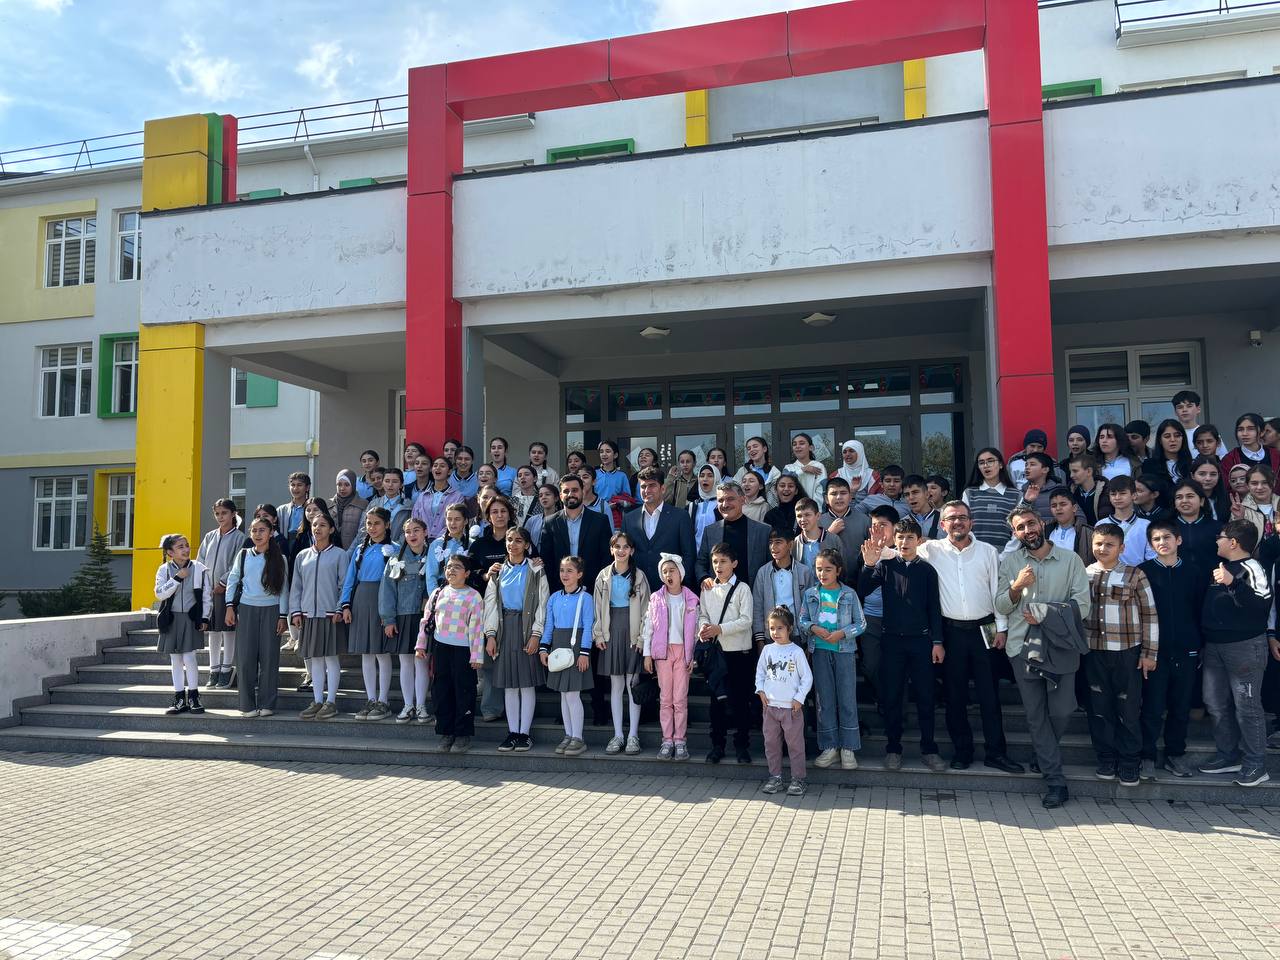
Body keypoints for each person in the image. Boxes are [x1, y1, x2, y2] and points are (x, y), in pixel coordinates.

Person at [995, 506, 1091, 809]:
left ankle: (1043, 753)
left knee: (1062, 710)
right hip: (1022, 647)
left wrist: (1045, 613)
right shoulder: (1011, 562)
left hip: (1061, 645)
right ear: (1015, 533)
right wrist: (1016, 587)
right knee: (1036, 717)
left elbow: (1082, 605)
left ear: (1041, 523)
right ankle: (1055, 780)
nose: (1028, 531)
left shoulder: (1070, 559)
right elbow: (1001, 605)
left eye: (1031, 523)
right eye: (1020, 527)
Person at [917, 501, 1023, 774]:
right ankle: (962, 752)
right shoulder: (931, 550)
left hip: (985, 629)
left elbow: (996, 589)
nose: (958, 522)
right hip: (951, 632)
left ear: (971, 522)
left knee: (990, 695)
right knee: (955, 695)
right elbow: (899, 552)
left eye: (963, 517)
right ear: (943, 524)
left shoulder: (988, 552)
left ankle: (996, 753)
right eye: (952, 518)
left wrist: (1002, 628)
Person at [858, 519, 946, 773]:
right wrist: (869, 564)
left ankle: (929, 749)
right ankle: (893, 749)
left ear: (919, 541)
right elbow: (862, 589)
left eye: (910, 538)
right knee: (892, 696)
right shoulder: (885, 566)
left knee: (925, 697)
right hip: (892, 641)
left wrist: (937, 642)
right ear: (893, 540)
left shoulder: (927, 570)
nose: (904, 542)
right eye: (900, 537)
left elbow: (934, 608)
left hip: (921, 641)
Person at [1082, 523, 1159, 787]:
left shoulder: (1135, 575)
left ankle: (1129, 761)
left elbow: (1150, 615)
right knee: (1099, 708)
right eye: (1098, 544)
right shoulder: (1084, 574)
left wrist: (1149, 653)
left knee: (1128, 708)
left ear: (1122, 547)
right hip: (1094, 652)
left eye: (1109, 544)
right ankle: (1106, 758)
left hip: (1127, 652)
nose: (1103, 549)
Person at [1198, 519, 1273, 786]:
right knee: (1215, 704)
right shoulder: (1219, 567)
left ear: (1233, 542)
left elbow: (1261, 606)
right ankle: (1228, 755)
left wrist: (1234, 583)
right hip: (1214, 646)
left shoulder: (1253, 567)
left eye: (1220, 536)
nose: (1216, 541)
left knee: (1247, 707)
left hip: (1245, 647)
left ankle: (1256, 764)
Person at [1140, 519, 1208, 779]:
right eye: (1156, 539)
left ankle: (1175, 755)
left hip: (1187, 649)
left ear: (1178, 540)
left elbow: (1201, 609)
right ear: (1150, 544)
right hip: (1153, 651)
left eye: (1167, 537)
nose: (1162, 542)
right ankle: (1146, 756)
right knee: (1152, 706)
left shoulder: (1194, 571)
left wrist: (1199, 644)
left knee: (1180, 706)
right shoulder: (1143, 572)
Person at [483, 527, 549, 752]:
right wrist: (491, 635)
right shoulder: (498, 571)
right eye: (509, 540)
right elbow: (491, 605)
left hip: (526, 628)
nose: (513, 544)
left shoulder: (536, 569)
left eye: (519, 540)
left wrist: (536, 634)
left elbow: (542, 604)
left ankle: (524, 734)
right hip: (505, 629)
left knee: (526, 683)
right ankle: (512, 732)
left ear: (527, 545)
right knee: (510, 685)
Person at [799, 548, 865, 771]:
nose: (822, 574)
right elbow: (802, 620)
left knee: (846, 698)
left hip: (844, 652)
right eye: (819, 569)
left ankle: (848, 747)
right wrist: (813, 628)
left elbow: (861, 623)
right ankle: (829, 746)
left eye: (828, 569)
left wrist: (842, 633)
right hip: (819, 651)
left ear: (838, 570)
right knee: (824, 699)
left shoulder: (849, 594)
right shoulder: (810, 594)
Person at [417, 554, 485, 754]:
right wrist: (421, 645)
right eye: (448, 566)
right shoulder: (438, 592)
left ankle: (463, 735)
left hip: (463, 650)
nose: (451, 570)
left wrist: (476, 656)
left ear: (467, 573)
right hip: (441, 648)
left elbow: (477, 628)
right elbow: (426, 620)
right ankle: (446, 732)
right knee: (441, 691)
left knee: (464, 691)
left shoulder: (474, 596)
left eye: (457, 567)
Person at [591, 531, 651, 754]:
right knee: (616, 686)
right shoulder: (603, 576)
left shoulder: (640, 576)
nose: (621, 550)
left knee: (632, 684)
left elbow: (647, 610)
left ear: (632, 551)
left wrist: (643, 638)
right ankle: (618, 735)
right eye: (617, 546)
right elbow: (597, 608)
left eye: (626, 547)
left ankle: (633, 735)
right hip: (611, 632)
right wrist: (599, 634)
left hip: (633, 634)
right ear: (611, 549)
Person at [223, 517, 289, 718]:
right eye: (254, 530)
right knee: (245, 659)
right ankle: (247, 705)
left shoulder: (280, 558)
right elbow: (233, 580)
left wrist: (283, 616)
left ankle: (267, 703)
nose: (257, 534)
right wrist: (229, 607)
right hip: (246, 609)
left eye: (262, 530)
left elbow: (284, 590)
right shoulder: (243, 555)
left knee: (269, 658)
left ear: (270, 532)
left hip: (272, 610)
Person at [290, 505, 348, 720]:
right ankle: (317, 700)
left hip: (330, 614)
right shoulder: (302, 556)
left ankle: (330, 702)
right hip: (308, 615)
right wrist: (296, 611)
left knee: (331, 658)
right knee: (314, 659)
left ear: (331, 529)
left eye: (323, 525)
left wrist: (340, 608)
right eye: (314, 525)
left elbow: (344, 585)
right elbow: (296, 587)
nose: (318, 528)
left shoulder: (340, 555)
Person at [699, 542, 755, 764]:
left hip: (739, 653)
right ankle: (717, 745)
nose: (718, 566)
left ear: (734, 563)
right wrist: (703, 628)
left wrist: (720, 629)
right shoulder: (707, 588)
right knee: (717, 703)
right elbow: (702, 614)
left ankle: (742, 746)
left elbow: (746, 620)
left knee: (741, 702)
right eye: (715, 562)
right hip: (717, 654)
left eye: (723, 561)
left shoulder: (743, 589)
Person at [467, 495, 521, 722]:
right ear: (487, 517)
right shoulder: (479, 545)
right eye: (494, 512)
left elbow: (535, 565)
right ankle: (491, 707)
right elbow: (469, 572)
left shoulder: (520, 539)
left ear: (510, 514)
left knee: (514, 659)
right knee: (490, 660)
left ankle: (517, 708)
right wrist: (485, 575)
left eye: (503, 511)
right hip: (486, 609)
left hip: (515, 611)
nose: (499, 515)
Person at [641, 554, 700, 761]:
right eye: (665, 571)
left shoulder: (691, 598)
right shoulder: (656, 598)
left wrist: (693, 656)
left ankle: (680, 740)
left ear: (680, 573)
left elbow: (696, 631)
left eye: (672, 570)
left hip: (683, 652)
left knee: (680, 699)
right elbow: (648, 627)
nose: (668, 575)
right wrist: (647, 654)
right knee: (666, 698)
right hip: (663, 653)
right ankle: (667, 740)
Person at [341, 508, 396, 721]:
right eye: (368, 523)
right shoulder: (360, 550)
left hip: (382, 599)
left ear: (387, 525)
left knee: (381, 652)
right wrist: (345, 605)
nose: (371, 528)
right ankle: (371, 698)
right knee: (366, 652)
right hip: (361, 599)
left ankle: (383, 700)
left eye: (377, 523)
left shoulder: (394, 549)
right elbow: (350, 579)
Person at [540, 556, 596, 757]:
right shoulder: (554, 598)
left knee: (573, 694)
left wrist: (584, 652)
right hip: (558, 647)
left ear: (579, 574)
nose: (565, 574)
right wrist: (544, 648)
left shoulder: (585, 598)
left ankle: (578, 737)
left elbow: (588, 626)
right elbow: (549, 625)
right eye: (562, 570)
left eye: (570, 570)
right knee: (563, 694)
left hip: (576, 647)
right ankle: (568, 734)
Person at [379, 517, 432, 724]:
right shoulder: (395, 559)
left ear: (425, 532)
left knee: (422, 662)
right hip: (403, 616)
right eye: (408, 531)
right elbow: (387, 591)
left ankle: (421, 705)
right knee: (406, 662)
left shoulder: (434, 556)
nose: (412, 535)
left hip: (424, 617)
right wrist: (388, 619)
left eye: (416, 530)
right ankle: (408, 704)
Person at [849, 505, 900, 723]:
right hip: (870, 617)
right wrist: (869, 562)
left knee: (897, 668)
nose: (877, 530)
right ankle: (883, 698)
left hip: (897, 620)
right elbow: (860, 587)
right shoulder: (866, 550)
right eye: (874, 526)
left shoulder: (904, 551)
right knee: (870, 665)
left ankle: (895, 710)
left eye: (883, 525)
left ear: (895, 527)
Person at [756, 607, 814, 796]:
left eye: (780, 628)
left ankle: (798, 779)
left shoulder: (796, 652)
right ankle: (775, 777)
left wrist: (799, 698)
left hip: (791, 709)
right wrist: (760, 690)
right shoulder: (767, 650)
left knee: (795, 745)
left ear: (790, 628)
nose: (775, 632)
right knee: (771, 744)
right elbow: (760, 673)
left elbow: (807, 678)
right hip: (770, 708)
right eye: (772, 628)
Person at [154, 533, 212, 716]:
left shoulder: (199, 568)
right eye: (180, 547)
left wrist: (204, 618)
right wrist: (177, 578)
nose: (186, 549)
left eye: (186, 545)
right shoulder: (164, 570)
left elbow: (206, 596)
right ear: (170, 552)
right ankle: (179, 698)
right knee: (176, 659)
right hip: (171, 618)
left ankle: (194, 697)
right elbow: (159, 593)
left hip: (190, 618)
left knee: (189, 657)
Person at [196, 498, 247, 689]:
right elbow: (200, 561)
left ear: (233, 514)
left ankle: (227, 669)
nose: (220, 517)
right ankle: (214, 669)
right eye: (217, 513)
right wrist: (203, 584)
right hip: (209, 592)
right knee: (213, 630)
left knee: (228, 629)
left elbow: (237, 563)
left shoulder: (240, 538)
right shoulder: (209, 536)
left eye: (224, 513)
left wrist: (224, 582)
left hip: (227, 591)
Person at [624, 466, 695, 592]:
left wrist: (681, 587)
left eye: (652, 485)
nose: (647, 490)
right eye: (643, 486)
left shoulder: (680, 516)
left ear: (663, 488)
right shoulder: (629, 518)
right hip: (638, 590)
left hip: (671, 590)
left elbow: (689, 555)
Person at [539, 474, 612, 597]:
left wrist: (601, 585)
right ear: (560, 496)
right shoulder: (549, 522)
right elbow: (547, 559)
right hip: (560, 590)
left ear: (583, 492)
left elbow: (606, 557)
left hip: (593, 588)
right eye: (566, 491)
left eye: (575, 490)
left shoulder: (600, 521)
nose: (570, 494)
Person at [695, 480, 772, 588]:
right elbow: (701, 563)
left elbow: (771, 567)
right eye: (720, 500)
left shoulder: (763, 531)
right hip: (719, 594)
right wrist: (704, 578)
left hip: (754, 594)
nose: (725, 504)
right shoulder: (710, 531)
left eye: (730, 499)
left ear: (743, 500)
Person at [752, 530, 815, 643]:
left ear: (790, 545)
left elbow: (811, 607)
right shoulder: (763, 572)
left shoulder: (804, 571)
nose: (773, 547)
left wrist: (809, 641)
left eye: (778, 542)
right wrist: (760, 640)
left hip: (798, 634)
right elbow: (757, 606)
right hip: (771, 635)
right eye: (771, 542)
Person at [962, 448, 1022, 550]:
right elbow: (964, 525)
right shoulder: (969, 493)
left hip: (1006, 554)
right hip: (975, 553)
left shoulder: (1016, 495)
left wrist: (1005, 555)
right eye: (981, 463)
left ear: (1001, 465)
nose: (986, 465)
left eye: (990, 461)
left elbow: (1019, 529)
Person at [819, 477, 872, 575]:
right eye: (834, 494)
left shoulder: (865, 520)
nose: (839, 497)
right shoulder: (818, 522)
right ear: (826, 499)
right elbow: (813, 552)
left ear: (850, 496)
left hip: (859, 577)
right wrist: (829, 534)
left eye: (843, 493)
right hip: (827, 578)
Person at [1103, 476, 1156, 567]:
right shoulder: (1101, 524)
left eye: (1122, 493)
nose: (1117, 497)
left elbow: (1151, 557)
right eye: (1113, 494)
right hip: (1108, 573)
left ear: (1134, 495)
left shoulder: (1146, 525)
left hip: (1139, 573)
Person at [1171, 479, 1222, 572]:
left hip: (1212, 579)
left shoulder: (1218, 527)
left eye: (1190, 496)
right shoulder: (1167, 528)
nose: (1184, 500)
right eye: (1179, 497)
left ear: (1201, 501)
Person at [411, 456, 466, 539]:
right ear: (431, 469)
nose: (438, 468)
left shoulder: (457, 496)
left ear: (449, 471)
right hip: (423, 541)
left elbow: (458, 521)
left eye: (442, 466)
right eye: (435, 465)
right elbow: (415, 519)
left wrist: (438, 540)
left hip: (446, 541)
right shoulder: (422, 496)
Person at [1045, 486, 1095, 567]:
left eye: (1063, 504)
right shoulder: (1045, 530)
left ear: (1074, 508)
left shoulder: (1088, 533)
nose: (1058, 508)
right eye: (1054, 506)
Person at [425, 502, 470, 591]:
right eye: (449, 519)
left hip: (466, 593)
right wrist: (436, 596)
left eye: (457, 519)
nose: (453, 523)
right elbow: (431, 576)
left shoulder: (472, 543)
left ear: (465, 521)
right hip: (442, 593)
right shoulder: (436, 544)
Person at [1174, 390, 1227, 457]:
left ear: (1198, 409)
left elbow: (1223, 458)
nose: (1184, 410)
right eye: (1180, 407)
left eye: (1189, 406)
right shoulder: (1171, 436)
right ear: (1175, 412)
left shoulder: (1209, 434)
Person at [1144, 418, 1194, 484]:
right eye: (1167, 436)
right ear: (1160, 440)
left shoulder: (1192, 464)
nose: (1172, 440)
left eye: (1177, 436)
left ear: (1183, 438)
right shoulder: (1149, 465)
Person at [1239, 464, 1280, 541]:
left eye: (1265, 482)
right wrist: (1239, 519)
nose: (1259, 487)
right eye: (1254, 483)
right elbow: (1235, 541)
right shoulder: (1241, 509)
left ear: (1274, 483)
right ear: (1247, 485)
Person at [687, 464, 722, 551]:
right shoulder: (692, 506)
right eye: (702, 476)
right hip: (696, 554)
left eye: (710, 476)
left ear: (716, 479)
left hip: (717, 554)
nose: (705, 479)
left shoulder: (722, 505)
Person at [831, 439, 877, 504]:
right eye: (844, 452)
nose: (847, 454)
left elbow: (874, 503)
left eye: (851, 451)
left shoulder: (872, 475)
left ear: (860, 452)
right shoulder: (835, 476)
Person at [1067, 453, 1107, 526]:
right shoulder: (1070, 492)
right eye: (1070, 472)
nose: (1071, 475)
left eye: (1075, 471)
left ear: (1089, 471)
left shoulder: (1106, 491)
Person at [332, 469, 368, 550]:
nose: (342, 488)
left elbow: (363, 532)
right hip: (332, 552)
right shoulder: (329, 504)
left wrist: (351, 552)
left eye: (347, 485)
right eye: (339, 484)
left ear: (353, 485)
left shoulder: (363, 504)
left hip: (354, 551)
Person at [792, 497, 832, 570]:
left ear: (818, 516)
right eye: (799, 516)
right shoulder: (796, 542)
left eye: (807, 515)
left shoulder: (832, 539)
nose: (803, 519)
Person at [784, 433, 827, 500]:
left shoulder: (819, 466)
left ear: (811, 447)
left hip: (814, 506)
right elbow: (785, 484)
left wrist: (813, 506)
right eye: (794, 444)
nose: (797, 446)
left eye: (801, 443)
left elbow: (821, 490)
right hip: (793, 506)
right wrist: (803, 470)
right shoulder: (788, 468)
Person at [1019, 453, 1057, 525]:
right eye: (1026, 465)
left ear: (1045, 470)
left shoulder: (1058, 490)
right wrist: (1026, 502)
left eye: (1032, 464)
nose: (1027, 468)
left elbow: (1075, 513)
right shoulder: (1021, 492)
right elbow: (1016, 518)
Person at [1191, 454, 1231, 522]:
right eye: (1202, 474)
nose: (1208, 478)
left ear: (1219, 476)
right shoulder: (1187, 500)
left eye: (1213, 474)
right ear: (1192, 476)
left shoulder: (1226, 498)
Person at [278, 472, 311, 552]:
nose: (295, 488)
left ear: (307, 487)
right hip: (287, 544)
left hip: (307, 544)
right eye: (293, 485)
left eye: (299, 485)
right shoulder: (281, 510)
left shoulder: (312, 508)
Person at [577, 467, 617, 534]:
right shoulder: (573, 504)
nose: (581, 480)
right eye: (578, 477)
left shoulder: (603, 506)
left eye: (585, 477)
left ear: (594, 482)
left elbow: (610, 534)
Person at [902, 474, 943, 539]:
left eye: (915, 492)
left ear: (927, 494)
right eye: (907, 494)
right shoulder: (902, 523)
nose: (911, 497)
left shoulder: (944, 520)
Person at [764, 472, 802, 539]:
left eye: (790, 486)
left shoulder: (802, 513)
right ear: (776, 490)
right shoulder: (770, 515)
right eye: (782, 486)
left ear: (796, 491)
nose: (786, 489)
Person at [523, 483, 560, 548]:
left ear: (556, 498)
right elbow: (525, 541)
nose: (543, 497)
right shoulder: (532, 520)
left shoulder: (562, 520)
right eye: (540, 495)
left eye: (547, 494)